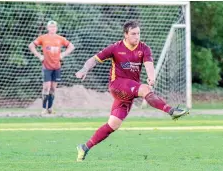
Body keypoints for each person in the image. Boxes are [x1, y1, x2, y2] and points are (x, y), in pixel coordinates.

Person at [75, 20, 189, 162]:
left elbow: (149, 65)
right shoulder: (115, 48)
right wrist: (84, 69)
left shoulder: (144, 48)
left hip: (128, 91)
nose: (137, 36)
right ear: (126, 35)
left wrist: (151, 78)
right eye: (133, 34)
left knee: (113, 124)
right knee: (144, 89)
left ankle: (85, 147)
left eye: (138, 33)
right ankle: (171, 111)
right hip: (117, 85)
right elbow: (94, 59)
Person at [28, 20, 75, 114]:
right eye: (50, 27)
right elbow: (31, 46)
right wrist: (39, 56)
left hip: (57, 66)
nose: (52, 29)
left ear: (56, 28)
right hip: (46, 66)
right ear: (48, 28)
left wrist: (63, 54)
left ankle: (50, 108)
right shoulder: (43, 38)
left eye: (54, 27)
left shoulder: (60, 38)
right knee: (46, 87)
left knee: (53, 88)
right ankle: (43, 108)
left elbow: (71, 46)